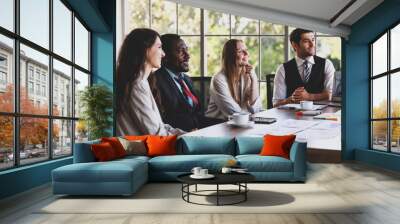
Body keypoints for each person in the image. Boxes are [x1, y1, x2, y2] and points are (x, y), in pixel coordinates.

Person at [116, 28, 185, 136]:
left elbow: (159, 126)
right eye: (159, 47)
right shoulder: (137, 85)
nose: (163, 54)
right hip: (142, 151)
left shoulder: (142, 82)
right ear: (145, 49)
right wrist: (186, 137)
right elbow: (156, 134)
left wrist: (184, 134)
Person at [150, 34, 222, 131]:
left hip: (198, 129)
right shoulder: (155, 81)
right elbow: (162, 119)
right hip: (178, 134)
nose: (188, 56)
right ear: (165, 55)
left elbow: (196, 114)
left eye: (186, 50)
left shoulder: (186, 79)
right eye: (181, 51)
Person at [273, 28, 335, 107]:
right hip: (292, 117)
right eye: (306, 41)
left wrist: (309, 97)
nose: (312, 45)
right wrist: (291, 99)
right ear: (294, 45)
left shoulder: (327, 64)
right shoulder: (282, 69)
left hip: (321, 116)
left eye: (312, 40)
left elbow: (331, 95)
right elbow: (276, 104)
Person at [205, 39, 262, 120]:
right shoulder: (218, 79)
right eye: (240, 51)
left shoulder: (247, 75)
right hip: (217, 126)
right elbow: (234, 113)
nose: (246, 54)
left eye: (246, 50)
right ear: (230, 56)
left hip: (240, 125)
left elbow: (257, 110)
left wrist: (254, 79)